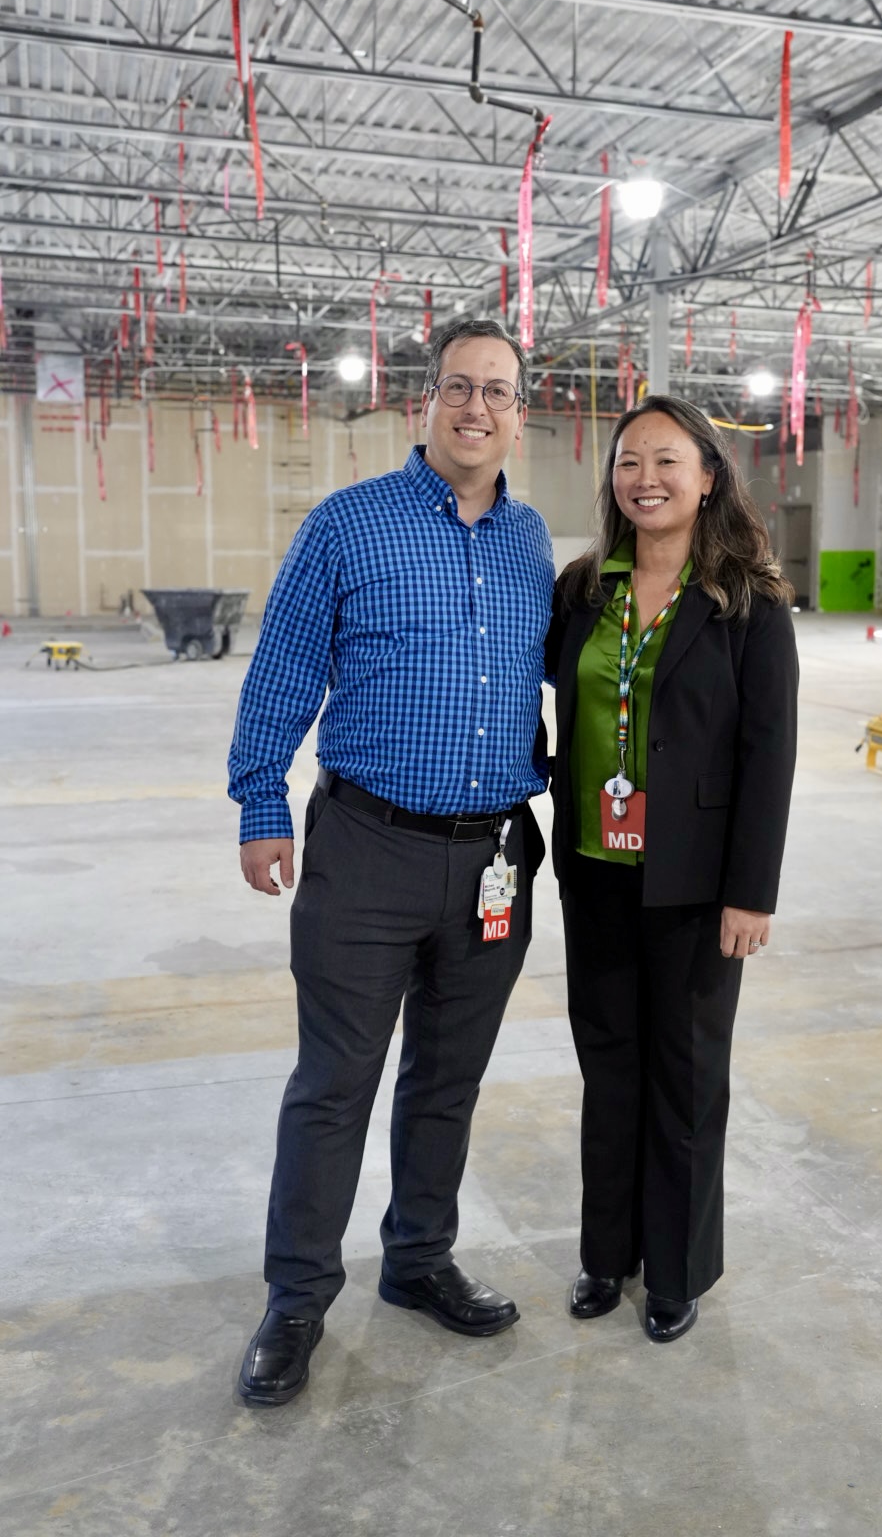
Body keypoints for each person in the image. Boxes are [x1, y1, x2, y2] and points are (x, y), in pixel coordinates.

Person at [228, 318, 553, 1405]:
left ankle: (417, 1259)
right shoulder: (347, 524)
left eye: (496, 391)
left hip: (495, 854)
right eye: (458, 387)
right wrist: (258, 802)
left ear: (522, 409)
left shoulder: (530, 539)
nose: (476, 408)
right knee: (333, 1085)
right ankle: (296, 1298)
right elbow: (280, 671)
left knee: (446, 1080)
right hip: (367, 848)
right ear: (427, 400)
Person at [546, 393, 798, 1344]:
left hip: (697, 886)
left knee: (686, 1078)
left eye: (665, 462)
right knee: (608, 1068)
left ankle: (678, 1271)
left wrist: (751, 893)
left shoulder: (747, 600)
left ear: (706, 477)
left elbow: (767, 754)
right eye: (626, 462)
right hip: (595, 866)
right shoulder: (584, 591)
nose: (643, 479)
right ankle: (606, 1256)